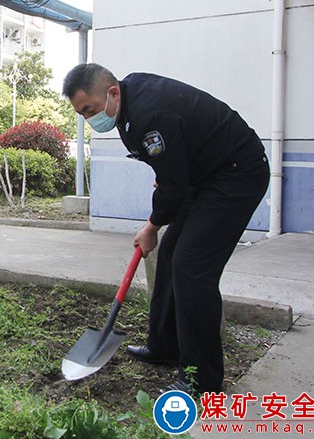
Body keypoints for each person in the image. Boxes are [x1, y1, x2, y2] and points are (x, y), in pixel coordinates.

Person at [62, 63, 269, 395]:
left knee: (191, 267)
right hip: (205, 175)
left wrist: (151, 226)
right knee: (173, 254)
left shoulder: (148, 114)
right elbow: (170, 163)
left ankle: (202, 379)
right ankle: (165, 346)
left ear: (112, 92)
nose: (89, 119)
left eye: (89, 110)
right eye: (82, 114)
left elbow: (173, 189)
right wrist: (170, 169)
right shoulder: (129, 103)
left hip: (237, 175)